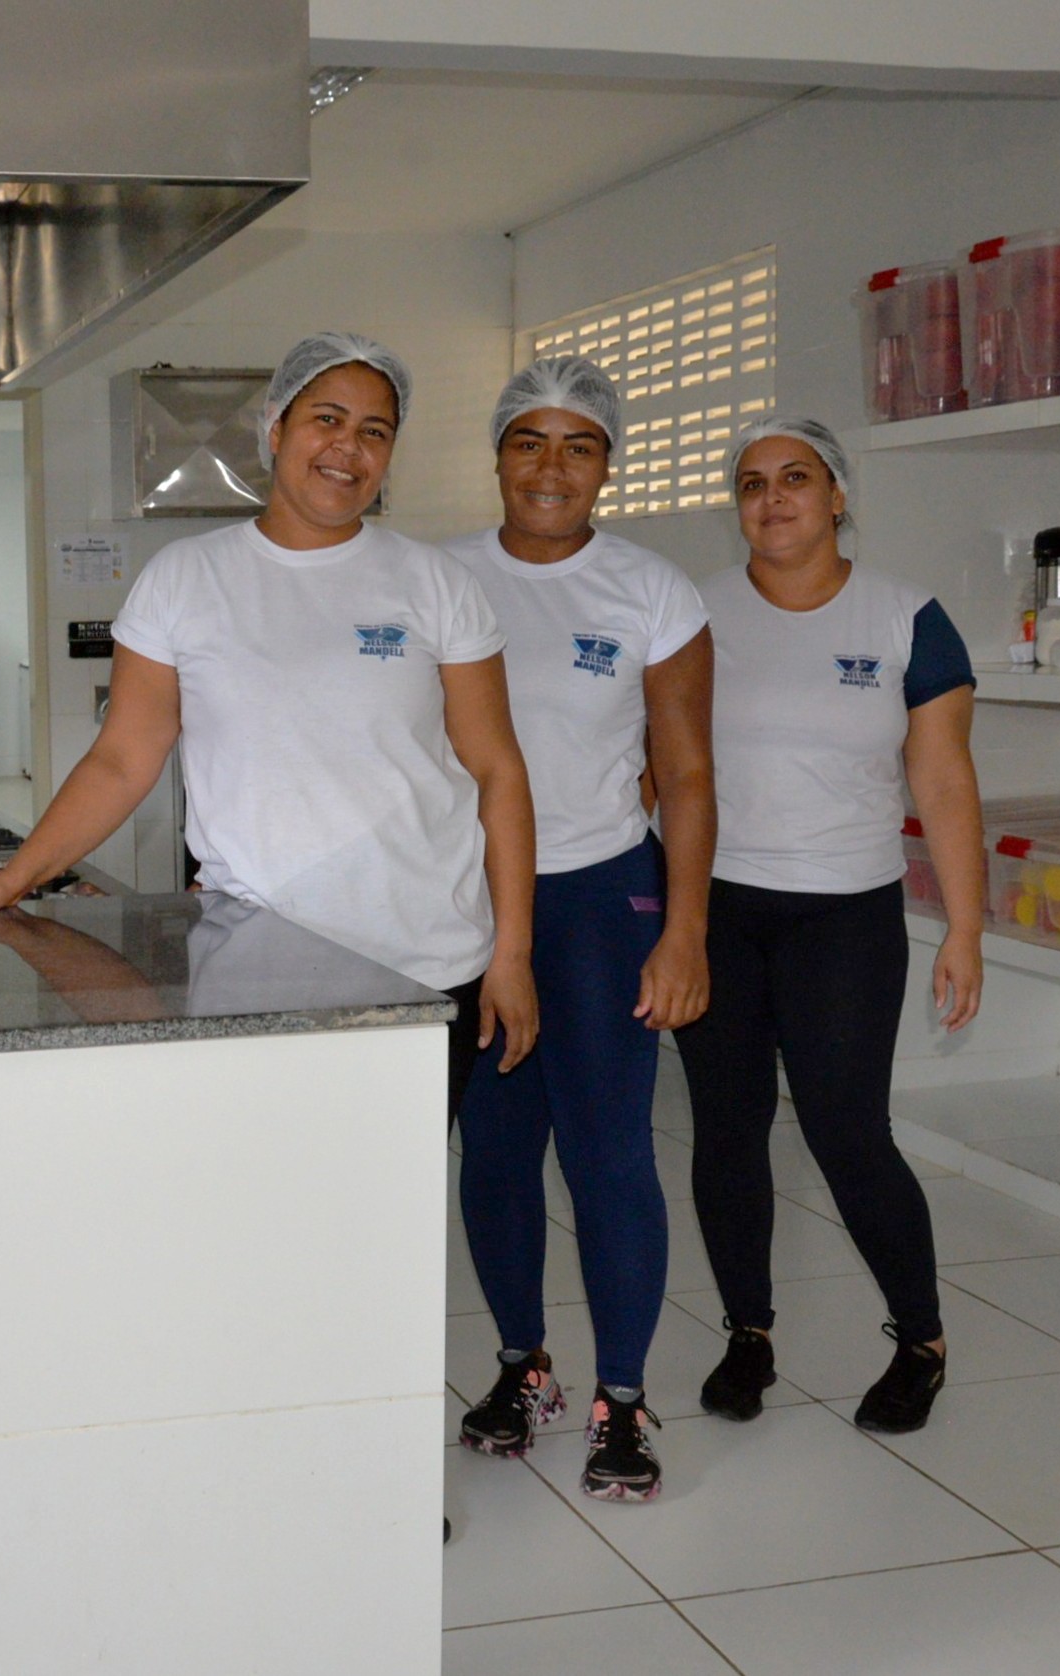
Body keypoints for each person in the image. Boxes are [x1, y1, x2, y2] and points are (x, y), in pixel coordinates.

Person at [0, 330, 540, 1115]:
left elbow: (497, 770)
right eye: (326, 419)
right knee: (262, 1196)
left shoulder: (436, 583)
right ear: (275, 430)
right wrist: (13, 878)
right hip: (258, 958)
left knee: (384, 1212)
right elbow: (123, 759)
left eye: (375, 431)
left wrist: (512, 952)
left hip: (425, 953)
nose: (348, 448)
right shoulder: (186, 579)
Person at [678, 416, 983, 1437]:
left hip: (844, 914)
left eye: (795, 478)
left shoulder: (907, 617)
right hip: (717, 905)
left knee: (847, 1129)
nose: (772, 498)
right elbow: (653, 758)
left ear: (838, 494)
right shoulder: (694, 612)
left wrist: (967, 926)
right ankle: (748, 1333)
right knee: (726, 1127)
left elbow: (944, 781)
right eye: (752, 483)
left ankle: (922, 1337)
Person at [444, 357, 714, 1501]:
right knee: (496, 1151)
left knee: (609, 1154)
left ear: (608, 461)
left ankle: (622, 1393)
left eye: (580, 445)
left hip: (602, 897)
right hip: (463, 904)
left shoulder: (654, 590)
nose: (552, 467)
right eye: (529, 441)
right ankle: (522, 1364)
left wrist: (686, 928)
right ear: (499, 453)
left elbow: (690, 773)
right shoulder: (433, 576)